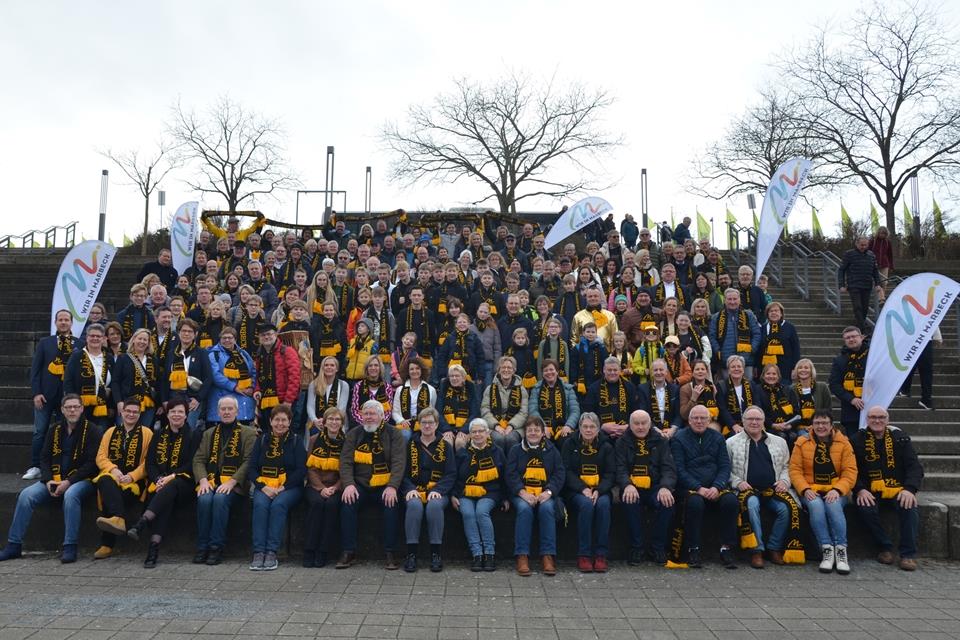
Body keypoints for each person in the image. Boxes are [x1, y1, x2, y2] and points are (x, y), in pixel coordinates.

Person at [0, 394, 101, 564]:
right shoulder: (54, 429)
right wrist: (48, 481)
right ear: (62, 410)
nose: (72, 410)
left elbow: (91, 464)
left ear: (82, 408)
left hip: (82, 480)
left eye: (76, 407)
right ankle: (13, 545)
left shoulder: (93, 430)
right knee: (26, 495)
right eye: (68, 407)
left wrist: (68, 482)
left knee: (70, 496)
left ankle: (70, 546)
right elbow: (44, 458)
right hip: (53, 479)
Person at [727, 406, 804, 569]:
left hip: (773, 489)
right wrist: (737, 482)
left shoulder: (779, 441)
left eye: (758, 419)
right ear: (743, 421)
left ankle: (774, 547)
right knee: (752, 505)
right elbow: (725, 469)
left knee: (787, 508)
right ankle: (757, 550)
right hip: (746, 491)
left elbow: (786, 466)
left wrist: (784, 481)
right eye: (750, 419)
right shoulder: (731, 443)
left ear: (763, 422)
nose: (754, 422)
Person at [126, 397, 200, 568]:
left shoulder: (194, 435)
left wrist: (172, 476)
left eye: (180, 412)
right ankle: (153, 548)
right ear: (167, 414)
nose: (176, 415)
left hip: (183, 482)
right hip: (160, 484)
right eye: (173, 411)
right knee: (165, 498)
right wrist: (158, 479)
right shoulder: (158, 434)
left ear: (186, 415)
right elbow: (150, 463)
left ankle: (142, 522)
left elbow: (192, 463)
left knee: (171, 487)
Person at [851, 406, 924, 571]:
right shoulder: (857, 439)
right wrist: (860, 489)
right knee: (865, 508)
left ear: (887, 420)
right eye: (873, 417)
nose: (877, 420)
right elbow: (850, 470)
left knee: (909, 506)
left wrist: (909, 489)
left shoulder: (900, 438)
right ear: (867, 420)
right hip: (869, 490)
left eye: (881, 417)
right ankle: (885, 547)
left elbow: (914, 467)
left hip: (897, 488)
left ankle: (908, 554)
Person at [337, 399, 407, 570]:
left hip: (385, 484)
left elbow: (399, 462)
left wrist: (392, 486)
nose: (368, 417)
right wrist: (348, 484)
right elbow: (345, 461)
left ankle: (390, 552)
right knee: (347, 502)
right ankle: (348, 551)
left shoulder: (394, 434)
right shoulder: (354, 434)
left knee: (392, 504)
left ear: (382, 416)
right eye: (365, 413)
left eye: (372, 414)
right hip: (360, 484)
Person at [670, 405, 739, 568]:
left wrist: (717, 486)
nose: (699, 421)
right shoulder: (678, 438)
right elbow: (679, 469)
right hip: (690, 488)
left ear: (709, 420)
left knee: (731, 501)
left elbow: (724, 466)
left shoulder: (717, 437)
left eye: (703, 418)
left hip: (715, 486)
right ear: (689, 420)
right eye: (695, 418)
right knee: (695, 503)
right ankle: (693, 549)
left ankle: (726, 548)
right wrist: (698, 488)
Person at [789, 410, 857, 575]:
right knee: (816, 506)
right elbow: (795, 470)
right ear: (811, 425)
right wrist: (804, 489)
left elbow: (850, 471)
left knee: (833, 505)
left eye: (824, 423)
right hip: (810, 488)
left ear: (831, 425)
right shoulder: (801, 442)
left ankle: (841, 552)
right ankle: (826, 550)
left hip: (836, 489)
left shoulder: (844, 443)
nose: (821, 426)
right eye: (817, 423)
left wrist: (837, 489)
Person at [192, 396, 258, 566]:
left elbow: (249, 461)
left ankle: (216, 547)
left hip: (234, 486)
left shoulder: (248, 433)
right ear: (218, 411)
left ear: (237, 411)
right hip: (212, 481)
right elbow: (199, 459)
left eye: (230, 409)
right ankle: (202, 546)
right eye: (223, 409)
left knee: (220, 499)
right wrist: (203, 480)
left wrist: (232, 481)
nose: (227, 412)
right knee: (205, 499)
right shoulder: (209, 434)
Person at [92, 399, 153, 559]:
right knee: (105, 482)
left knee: (110, 497)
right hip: (113, 476)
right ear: (122, 412)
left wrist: (132, 476)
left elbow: (149, 461)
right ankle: (118, 518)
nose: (131, 414)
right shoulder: (110, 432)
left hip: (134, 482)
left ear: (140, 414)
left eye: (135, 412)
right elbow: (101, 457)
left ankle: (107, 544)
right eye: (128, 411)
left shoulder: (147, 433)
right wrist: (114, 470)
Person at [249, 404, 306, 571]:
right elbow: (252, 468)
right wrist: (263, 486)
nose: (280, 424)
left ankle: (272, 551)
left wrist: (283, 487)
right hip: (264, 485)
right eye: (276, 420)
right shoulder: (261, 441)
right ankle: (259, 551)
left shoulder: (296, 441)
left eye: (284, 420)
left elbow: (301, 469)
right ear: (270, 421)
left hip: (289, 487)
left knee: (278, 505)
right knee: (260, 505)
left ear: (289, 422)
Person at [505, 416, 565, 577]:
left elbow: (559, 474)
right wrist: (522, 493)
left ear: (542, 433)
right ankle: (522, 555)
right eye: (529, 430)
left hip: (544, 493)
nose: (533, 433)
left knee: (546, 509)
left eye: (536, 430)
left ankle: (548, 555)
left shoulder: (552, 450)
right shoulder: (516, 450)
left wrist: (549, 492)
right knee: (524, 509)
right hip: (522, 493)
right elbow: (510, 475)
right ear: (524, 432)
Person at [615, 409, 676, 565]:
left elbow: (668, 468)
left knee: (667, 502)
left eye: (644, 423)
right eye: (636, 423)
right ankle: (637, 547)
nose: (640, 427)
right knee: (629, 501)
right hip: (632, 487)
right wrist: (627, 484)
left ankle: (657, 547)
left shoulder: (661, 441)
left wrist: (665, 487)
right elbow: (620, 468)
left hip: (655, 487)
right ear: (630, 425)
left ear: (650, 424)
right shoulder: (622, 441)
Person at [25, 309, 80, 480]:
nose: (63, 322)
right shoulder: (45, 342)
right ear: (55, 322)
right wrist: (36, 393)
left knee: (63, 432)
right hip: (46, 396)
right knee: (40, 432)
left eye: (66, 320)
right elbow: (35, 371)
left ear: (71, 323)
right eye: (60, 320)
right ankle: (35, 466)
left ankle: (61, 466)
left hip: (68, 398)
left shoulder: (80, 343)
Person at [401, 408, 456, 572]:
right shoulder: (409, 445)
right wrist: (409, 488)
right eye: (423, 422)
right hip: (414, 489)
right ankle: (411, 554)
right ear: (418, 424)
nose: (426, 426)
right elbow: (401, 472)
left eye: (430, 422)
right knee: (414, 506)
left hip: (438, 490)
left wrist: (439, 489)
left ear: (437, 424)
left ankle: (436, 553)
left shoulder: (445, 446)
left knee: (434, 506)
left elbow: (451, 473)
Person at [561, 412, 614, 572]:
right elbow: (566, 471)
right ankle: (584, 555)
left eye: (592, 427)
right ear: (579, 428)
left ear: (598, 429)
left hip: (600, 490)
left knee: (603, 505)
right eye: (585, 426)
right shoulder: (569, 444)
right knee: (586, 505)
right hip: (576, 491)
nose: (588, 430)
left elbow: (610, 474)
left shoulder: (606, 446)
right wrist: (582, 488)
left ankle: (600, 554)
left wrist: (599, 490)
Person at [451, 418, 506, 571]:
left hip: (490, 492)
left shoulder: (497, 451)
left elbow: (504, 477)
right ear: (469, 435)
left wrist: (505, 498)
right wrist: (453, 495)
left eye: (481, 431)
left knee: (481, 512)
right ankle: (477, 554)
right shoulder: (462, 453)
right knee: (468, 513)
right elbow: (454, 475)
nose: (477, 434)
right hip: (465, 492)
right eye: (474, 432)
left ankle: (489, 553)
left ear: (488, 433)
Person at [302, 407, 345, 567]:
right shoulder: (314, 439)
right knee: (317, 503)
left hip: (336, 486)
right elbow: (310, 468)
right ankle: (309, 549)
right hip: (316, 485)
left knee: (332, 505)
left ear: (342, 423)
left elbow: (346, 470)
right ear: (324, 423)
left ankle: (323, 551)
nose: (334, 422)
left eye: (337, 419)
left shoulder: (346, 442)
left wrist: (335, 487)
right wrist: (321, 488)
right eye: (331, 419)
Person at [160, 318, 211, 428]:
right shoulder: (171, 353)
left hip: (192, 399)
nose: (186, 334)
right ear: (178, 333)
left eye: (190, 331)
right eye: (183, 331)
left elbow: (208, 378)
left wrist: (198, 399)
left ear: (195, 334)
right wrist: (164, 400)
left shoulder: (201, 353)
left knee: (189, 429)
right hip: (173, 397)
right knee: (173, 429)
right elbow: (165, 379)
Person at [63, 323, 114, 427]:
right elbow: (68, 381)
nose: (95, 338)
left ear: (104, 338)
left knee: (100, 436)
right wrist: (72, 403)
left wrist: (112, 405)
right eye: (92, 336)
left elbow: (115, 383)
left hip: (103, 406)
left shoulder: (109, 357)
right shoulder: (76, 356)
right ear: (86, 338)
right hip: (80, 407)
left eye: (98, 336)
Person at [253, 323, 301, 431]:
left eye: (269, 334)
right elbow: (257, 376)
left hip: (283, 401)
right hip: (265, 402)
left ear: (275, 334)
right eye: (263, 335)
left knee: (285, 432)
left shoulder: (287, 351)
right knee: (267, 432)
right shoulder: (259, 354)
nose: (266, 337)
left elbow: (294, 378)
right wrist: (256, 390)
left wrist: (288, 401)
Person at [111, 328, 160, 429]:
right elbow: (115, 382)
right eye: (140, 338)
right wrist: (119, 401)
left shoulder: (153, 359)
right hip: (127, 403)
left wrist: (159, 403)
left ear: (148, 343)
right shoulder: (123, 358)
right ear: (134, 340)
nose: (142, 342)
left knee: (144, 433)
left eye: (145, 340)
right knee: (125, 432)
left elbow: (158, 382)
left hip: (148, 404)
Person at [709, 288, 761, 380]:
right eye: (729, 299)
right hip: (725, 360)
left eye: (735, 299)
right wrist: (718, 351)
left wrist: (752, 349)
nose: (732, 302)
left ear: (739, 300)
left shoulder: (749, 315)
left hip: (746, 360)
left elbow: (757, 334)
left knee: (747, 388)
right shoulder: (716, 317)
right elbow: (712, 337)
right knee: (727, 388)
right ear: (724, 300)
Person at [828, 326, 869, 436]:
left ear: (861, 337)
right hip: (851, 410)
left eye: (854, 336)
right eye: (847, 338)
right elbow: (834, 384)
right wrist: (851, 399)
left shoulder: (873, 356)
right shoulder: (840, 360)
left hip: (873, 407)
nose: (851, 339)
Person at [481, 356, 528, 450]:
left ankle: (512, 464)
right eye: (503, 367)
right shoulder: (489, 389)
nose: (506, 370)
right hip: (494, 426)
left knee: (511, 439)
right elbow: (485, 410)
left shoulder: (522, 390)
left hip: (516, 427)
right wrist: (496, 426)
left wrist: (511, 426)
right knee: (498, 439)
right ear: (499, 370)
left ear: (514, 370)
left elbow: (523, 413)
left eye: (509, 368)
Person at [528, 359, 581, 444]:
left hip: (563, 428)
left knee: (567, 441)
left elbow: (575, 410)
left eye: (551, 369)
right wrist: (542, 426)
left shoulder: (568, 389)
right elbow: (533, 410)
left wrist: (569, 426)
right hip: (543, 428)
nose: (549, 372)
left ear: (557, 371)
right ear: (542, 373)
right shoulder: (536, 389)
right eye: (545, 370)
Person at [584, 357, 638, 439]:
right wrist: (601, 426)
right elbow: (588, 413)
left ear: (620, 370)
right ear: (604, 370)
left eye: (615, 370)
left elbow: (636, 411)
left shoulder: (630, 387)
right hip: (600, 434)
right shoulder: (593, 388)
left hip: (626, 433)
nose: (612, 373)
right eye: (609, 370)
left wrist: (628, 426)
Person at [838, 236, 884, 332]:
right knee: (857, 306)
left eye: (865, 245)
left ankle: (859, 327)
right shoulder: (849, 254)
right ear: (857, 244)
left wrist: (878, 284)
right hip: (854, 285)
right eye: (861, 245)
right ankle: (862, 329)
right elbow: (841, 270)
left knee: (865, 308)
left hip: (867, 285)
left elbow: (875, 271)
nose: (863, 247)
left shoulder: (871, 255)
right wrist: (841, 285)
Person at [392, 357, 438, 443]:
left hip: (424, 423)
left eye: (417, 368)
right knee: (405, 435)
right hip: (405, 424)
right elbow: (395, 412)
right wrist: (401, 421)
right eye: (411, 369)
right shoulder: (400, 390)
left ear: (422, 370)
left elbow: (433, 410)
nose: (414, 371)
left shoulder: (430, 389)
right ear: (408, 371)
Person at [757, 364, 803, 447]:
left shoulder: (788, 390)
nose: (771, 376)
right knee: (781, 437)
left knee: (793, 436)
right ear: (763, 376)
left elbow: (797, 412)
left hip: (788, 426)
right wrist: (773, 425)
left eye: (774, 374)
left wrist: (790, 425)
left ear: (778, 376)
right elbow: (758, 412)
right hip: (768, 427)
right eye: (768, 374)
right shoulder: (758, 390)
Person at [717, 355, 760, 437]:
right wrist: (733, 425)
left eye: (739, 366)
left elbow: (757, 405)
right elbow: (723, 409)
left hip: (751, 423)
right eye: (733, 367)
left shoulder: (751, 385)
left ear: (743, 370)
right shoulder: (721, 386)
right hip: (730, 425)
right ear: (728, 371)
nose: (736, 369)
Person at [757, 302, 800, 383]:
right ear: (767, 314)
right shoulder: (762, 328)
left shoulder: (789, 327)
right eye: (771, 311)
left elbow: (796, 349)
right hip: (765, 369)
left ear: (781, 313)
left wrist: (795, 368)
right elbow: (759, 349)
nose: (774, 313)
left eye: (776, 311)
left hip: (785, 368)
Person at [436, 364, 480, 441]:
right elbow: (438, 412)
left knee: (460, 441)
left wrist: (464, 430)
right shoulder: (444, 389)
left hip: (466, 429)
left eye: (457, 376)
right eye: (451, 376)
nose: (454, 378)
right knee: (447, 441)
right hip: (447, 429)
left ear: (463, 378)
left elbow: (475, 413)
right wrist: (446, 429)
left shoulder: (470, 389)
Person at [899, 327, 940, 410]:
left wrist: (937, 335)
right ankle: (906, 389)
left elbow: (932, 316)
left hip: (924, 338)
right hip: (912, 338)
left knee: (925, 370)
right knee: (912, 366)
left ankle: (925, 398)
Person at [791, 358, 832, 435]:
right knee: (806, 436)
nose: (803, 370)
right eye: (800, 368)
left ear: (811, 371)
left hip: (820, 425)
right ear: (797, 371)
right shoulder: (791, 389)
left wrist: (815, 425)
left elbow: (828, 409)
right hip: (799, 427)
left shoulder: (822, 387)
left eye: (806, 368)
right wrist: (801, 427)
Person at [571, 286, 619, 350]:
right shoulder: (578, 316)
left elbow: (615, 338)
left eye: (595, 296)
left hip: (605, 355)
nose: (593, 298)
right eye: (590, 296)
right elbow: (574, 339)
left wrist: (612, 355)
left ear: (600, 297)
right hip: (584, 356)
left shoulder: (610, 316)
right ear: (586, 298)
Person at [679, 360, 721, 430]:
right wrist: (693, 398)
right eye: (697, 369)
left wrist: (715, 397)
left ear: (706, 372)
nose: (700, 371)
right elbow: (684, 415)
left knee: (712, 428)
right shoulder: (685, 388)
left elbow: (719, 411)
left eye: (703, 369)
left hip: (711, 422)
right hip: (692, 423)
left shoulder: (712, 387)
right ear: (692, 372)